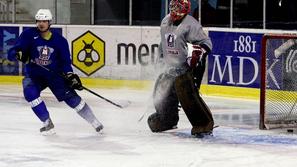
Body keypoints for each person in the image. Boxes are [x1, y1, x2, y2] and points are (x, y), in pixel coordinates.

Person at [7, 9, 103, 134]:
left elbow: (65, 62)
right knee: (30, 93)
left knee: (72, 100)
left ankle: (94, 121)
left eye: (44, 21)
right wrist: (18, 54)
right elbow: (11, 52)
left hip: (55, 76)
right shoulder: (28, 35)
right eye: (39, 21)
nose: (41, 23)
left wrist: (70, 75)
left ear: (49, 22)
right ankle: (47, 122)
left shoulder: (60, 41)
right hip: (34, 75)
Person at [147, 0, 214, 137]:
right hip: (170, 66)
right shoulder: (165, 21)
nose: (174, 10)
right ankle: (166, 119)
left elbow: (206, 43)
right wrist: (160, 59)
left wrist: (198, 52)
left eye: (178, 7)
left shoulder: (191, 24)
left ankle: (203, 124)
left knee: (187, 93)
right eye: (172, 7)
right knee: (160, 91)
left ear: (185, 9)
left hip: (188, 68)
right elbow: (163, 43)